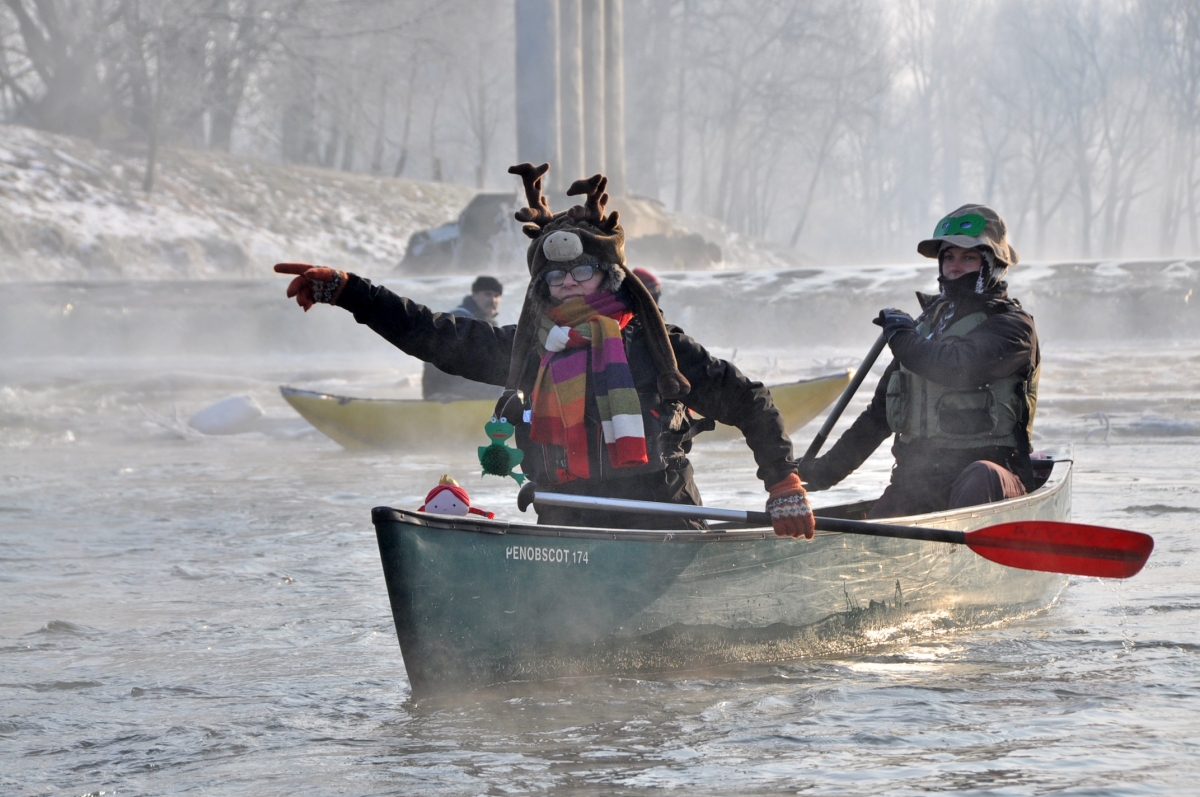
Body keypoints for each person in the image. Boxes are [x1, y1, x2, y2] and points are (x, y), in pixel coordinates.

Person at [275, 163, 814, 538]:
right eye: (557, 277)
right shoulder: (527, 350)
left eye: (584, 271)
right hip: (567, 527)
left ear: (610, 276)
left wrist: (783, 482)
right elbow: (433, 334)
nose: (571, 284)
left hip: (662, 524)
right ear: (541, 288)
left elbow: (750, 401)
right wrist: (349, 291)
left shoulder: (657, 347)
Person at [798, 204, 1040, 519]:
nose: (955, 267)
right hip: (920, 483)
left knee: (981, 476)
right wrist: (817, 475)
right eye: (949, 257)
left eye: (968, 258)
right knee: (895, 507)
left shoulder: (1014, 327)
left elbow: (955, 367)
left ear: (992, 263)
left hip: (994, 481)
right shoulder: (924, 328)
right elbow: (877, 419)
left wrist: (901, 336)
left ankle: (966, 553)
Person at [422, 276, 506, 401]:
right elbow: (434, 355)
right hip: (446, 389)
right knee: (504, 389)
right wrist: (435, 391)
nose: (493, 300)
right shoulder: (460, 319)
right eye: (487, 294)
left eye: (497, 295)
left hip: (465, 384)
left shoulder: (486, 323)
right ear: (474, 295)